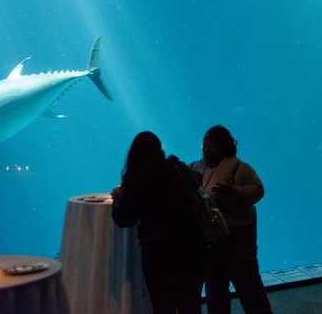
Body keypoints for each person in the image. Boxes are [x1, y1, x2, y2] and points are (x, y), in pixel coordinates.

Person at [111, 131, 205, 314]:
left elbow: (123, 219)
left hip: (158, 253)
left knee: (163, 306)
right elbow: (198, 182)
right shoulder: (177, 168)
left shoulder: (135, 179)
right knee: (191, 305)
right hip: (190, 247)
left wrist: (118, 198)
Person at [189, 125, 271, 314]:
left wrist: (234, 192)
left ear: (224, 146)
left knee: (249, 289)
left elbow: (258, 190)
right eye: (204, 144)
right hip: (211, 243)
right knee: (215, 292)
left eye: (212, 145)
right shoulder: (195, 167)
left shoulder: (238, 167)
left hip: (238, 242)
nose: (206, 149)